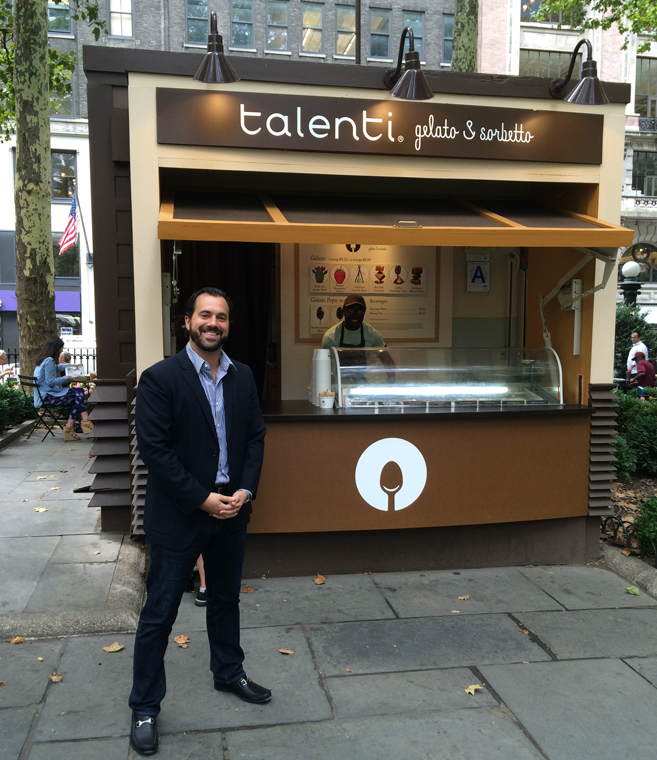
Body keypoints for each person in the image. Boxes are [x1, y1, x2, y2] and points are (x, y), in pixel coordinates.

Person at [129, 287, 268, 757]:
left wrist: (244, 490)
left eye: (222, 317)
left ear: (229, 325)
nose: (214, 323)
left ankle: (229, 673)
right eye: (205, 315)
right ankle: (145, 706)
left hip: (233, 509)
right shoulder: (159, 378)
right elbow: (156, 452)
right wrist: (203, 499)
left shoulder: (243, 376)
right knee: (159, 614)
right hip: (182, 515)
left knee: (225, 599)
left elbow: (254, 437)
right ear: (186, 321)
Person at [33, 337, 93, 441]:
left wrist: (69, 365)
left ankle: (71, 428)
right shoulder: (49, 360)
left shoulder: (43, 360)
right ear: (56, 348)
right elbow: (50, 382)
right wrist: (66, 378)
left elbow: (55, 368)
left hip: (43, 396)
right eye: (61, 348)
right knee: (79, 394)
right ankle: (84, 421)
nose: (61, 351)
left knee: (78, 398)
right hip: (47, 397)